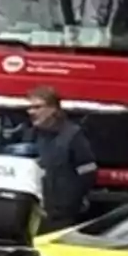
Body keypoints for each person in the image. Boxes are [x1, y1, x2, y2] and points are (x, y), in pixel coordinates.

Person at [24, 85, 97, 233]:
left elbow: (88, 173)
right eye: (29, 107)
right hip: (32, 212)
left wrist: (70, 202)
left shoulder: (73, 135)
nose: (31, 112)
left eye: (37, 107)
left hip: (61, 215)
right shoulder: (30, 135)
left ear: (53, 109)